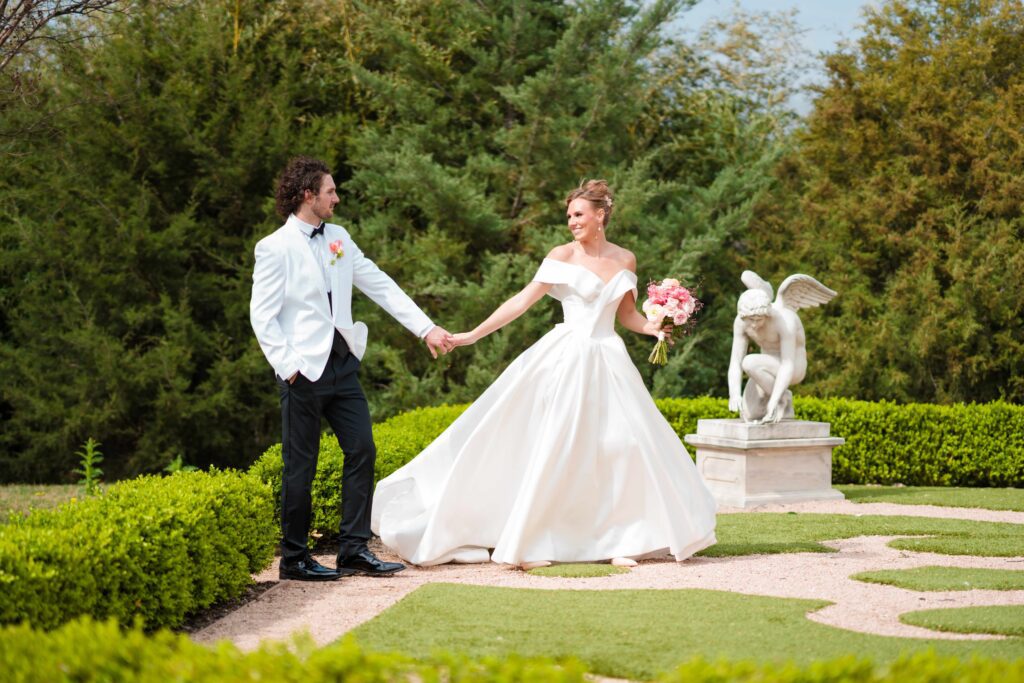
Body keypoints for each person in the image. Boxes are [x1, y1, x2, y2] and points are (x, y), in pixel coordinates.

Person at [371, 180, 717, 568]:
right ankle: (533, 543)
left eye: (579, 214)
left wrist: (654, 326)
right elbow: (521, 301)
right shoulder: (562, 256)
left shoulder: (626, 260)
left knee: (618, 447)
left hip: (609, 360)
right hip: (567, 358)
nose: (571, 221)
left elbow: (627, 316)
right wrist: (471, 335)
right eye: (569, 215)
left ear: (601, 215)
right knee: (557, 446)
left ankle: (618, 539)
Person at [250, 156, 454, 581]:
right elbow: (261, 317)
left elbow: (379, 283)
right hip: (302, 372)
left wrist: (426, 328)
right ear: (308, 195)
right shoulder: (274, 247)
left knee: (362, 450)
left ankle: (354, 550)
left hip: (342, 366)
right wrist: (288, 369)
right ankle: (294, 559)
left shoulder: (339, 237)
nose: (336, 198)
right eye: (330, 191)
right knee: (299, 467)